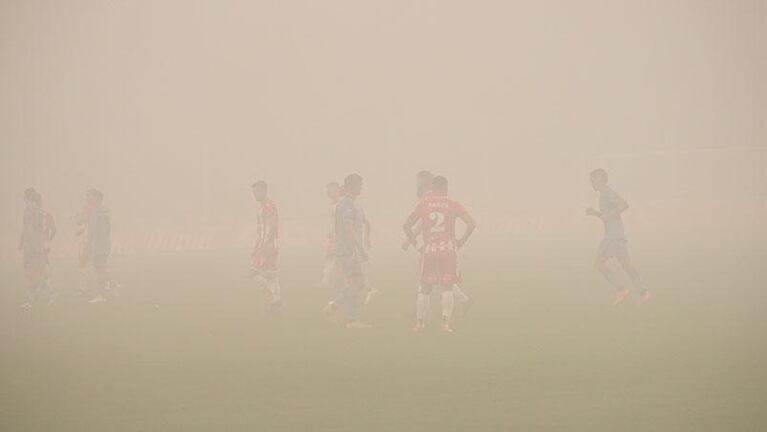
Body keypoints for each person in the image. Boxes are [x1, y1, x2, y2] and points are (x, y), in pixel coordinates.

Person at [403, 176, 476, 332]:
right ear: (446, 188)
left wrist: (416, 245)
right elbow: (472, 223)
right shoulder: (452, 204)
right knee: (447, 287)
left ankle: (420, 324)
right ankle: (445, 324)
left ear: (432, 188)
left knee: (425, 287)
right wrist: (462, 240)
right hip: (448, 250)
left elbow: (407, 225)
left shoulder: (424, 204)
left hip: (429, 249)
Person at [586, 169, 650, 305]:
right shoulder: (603, 195)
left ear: (601, 179)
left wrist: (608, 215)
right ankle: (630, 291)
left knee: (619, 264)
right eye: (591, 180)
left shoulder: (608, 193)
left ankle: (636, 292)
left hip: (615, 236)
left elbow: (624, 205)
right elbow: (607, 217)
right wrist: (595, 213)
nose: (592, 183)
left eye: (593, 180)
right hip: (611, 236)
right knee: (606, 263)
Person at [324, 174, 371, 329]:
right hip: (347, 250)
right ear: (354, 186)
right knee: (355, 283)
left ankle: (333, 306)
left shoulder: (351, 203)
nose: (362, 188)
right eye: (360, 184)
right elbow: (348, 229)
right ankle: (352, 320)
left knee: (358, 283)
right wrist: (359, 249)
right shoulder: (345, 204)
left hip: (349, 250)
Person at [18, 188, 56, 309]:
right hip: (39, 246)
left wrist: (25, 244)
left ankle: (50, 294)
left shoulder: (29, 210)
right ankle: (32, 299)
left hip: (32, 248)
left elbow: (29, 229)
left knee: (32, 273)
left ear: (26, 197)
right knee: (36, 272)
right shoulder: (40, 211)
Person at [251, 181, 282, 312]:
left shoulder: (268, 205)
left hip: (268, 244)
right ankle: (276, 300)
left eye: (257, 191)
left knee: (255, 272)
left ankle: (274, 298)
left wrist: (268, 242)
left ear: (264, 190)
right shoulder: (262, 206)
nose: (255, 194)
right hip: (263, 243)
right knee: (269, 274)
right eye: (254, 192)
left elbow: (273, 223)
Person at [80, 189, 116, 303]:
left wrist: (88, 245)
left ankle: (102, 295)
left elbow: (93, 230)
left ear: (96, 198)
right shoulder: (106, 211)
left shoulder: (96, 211)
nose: (88, 199)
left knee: (100, 269)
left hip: (98, 244)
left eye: (90, 197)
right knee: (101, 268)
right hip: (105, 243)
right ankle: (112, 287)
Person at [321, 181, 341, 288]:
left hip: (337, 237)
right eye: (327, 190)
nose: (328, 192)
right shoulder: (333, 204)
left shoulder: (340, 204)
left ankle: (326, 280)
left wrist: (337, 234)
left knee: (332, 258)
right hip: (332, 236)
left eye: (330, 189)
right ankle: (327, 280)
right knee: (331, 258)